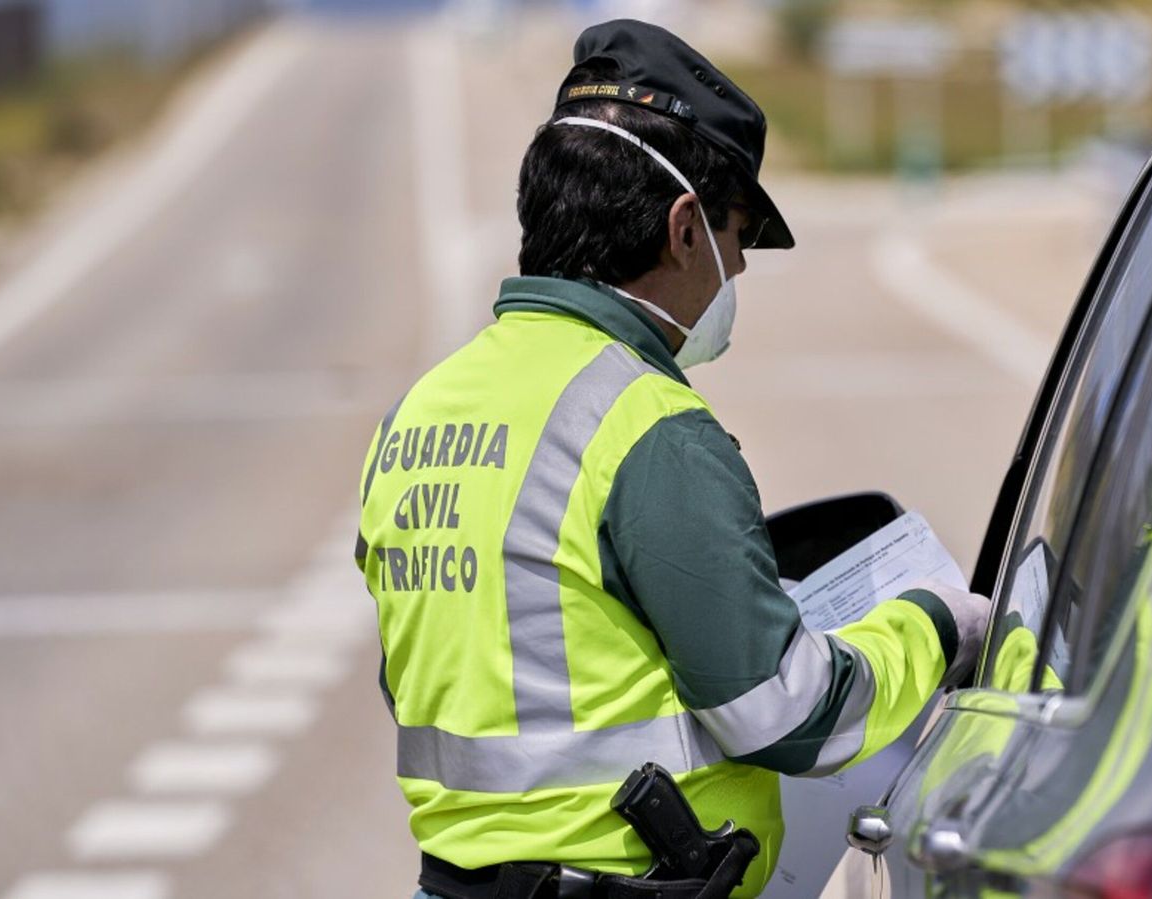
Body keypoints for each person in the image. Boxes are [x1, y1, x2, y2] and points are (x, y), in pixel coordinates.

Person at [355, 18, 992, 899]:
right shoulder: (645, 423)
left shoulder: (416, 416)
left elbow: (440, 676)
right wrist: (935, 626)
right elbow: (784, 710)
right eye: (737, 236)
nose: (738, 267)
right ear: (685, 228)